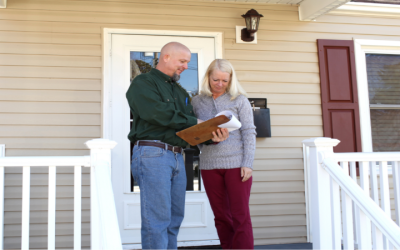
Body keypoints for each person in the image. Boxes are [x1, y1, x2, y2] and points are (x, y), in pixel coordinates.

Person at [126, 42, 228, 250]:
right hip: (152, 153)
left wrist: (211, 136)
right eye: (182, 61)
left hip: (177, 156)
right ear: (165, 57)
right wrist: (195, 124)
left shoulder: (181, 91)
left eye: (188, 62)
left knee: (174, 219)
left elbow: (188, 128)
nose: (185, 66)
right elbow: (156, 113)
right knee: (157, 220)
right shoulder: (143, 83)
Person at [191, 59, 256, 249]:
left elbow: (249, 131)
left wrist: (248, 163)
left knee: (240, 215)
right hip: (209, 165)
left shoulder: (240, 100)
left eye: (224, 81)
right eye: (215, 80)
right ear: (208, 78)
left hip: (237, 165)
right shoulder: (197, 101)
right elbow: (194, 133)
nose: (220, 84)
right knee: (221, 216)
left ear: (231, 80)